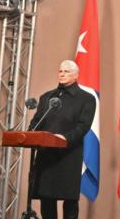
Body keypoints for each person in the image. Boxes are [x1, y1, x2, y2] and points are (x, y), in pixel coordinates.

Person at [28, 60, 96, 219]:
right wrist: (32, 134)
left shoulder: (86, 99)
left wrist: (65, 138)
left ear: (76, 75)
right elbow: (36, 122)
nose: (62, 74)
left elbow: (83, 126)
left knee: (70, 200)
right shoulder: (47, 97)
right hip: (46, 155)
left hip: (69, 155)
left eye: (67, 71)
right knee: (46, 198)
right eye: (60, 71)